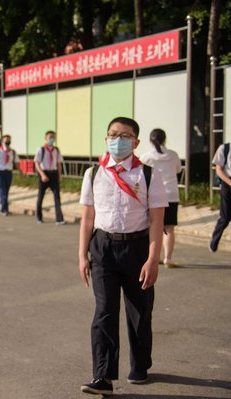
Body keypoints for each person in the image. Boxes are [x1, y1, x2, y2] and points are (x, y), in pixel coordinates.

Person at [77, 117, 167, 396]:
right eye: (113, 134)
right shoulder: (94, 173)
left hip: (137, 249)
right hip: (103, 248)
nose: (118, 140)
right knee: (104, 311)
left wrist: (153, 259)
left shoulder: (149, 175)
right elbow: (87, 217)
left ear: (136, 142)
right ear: (106, 139)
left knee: (139, 311)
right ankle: (102, 376)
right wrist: (82, 255)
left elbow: (156, 221)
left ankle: (140, 363)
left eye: (125, 136)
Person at [140, 129, 182, 267]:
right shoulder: (173, 155)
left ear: (150, 140)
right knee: (169, 229)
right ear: (165, 139)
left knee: (152, 226)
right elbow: (178, 170)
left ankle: (153, 257)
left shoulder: (146, 157)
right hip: (171, 194)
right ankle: (168, 259)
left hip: (152, 195)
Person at [34, 130, 65, 225]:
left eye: (53, 137)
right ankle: (39, 217)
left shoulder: (56, 150)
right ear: (46, 138)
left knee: (57, 197)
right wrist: (42, 175)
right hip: (44, 173)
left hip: (54, 174)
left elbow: (59, 164)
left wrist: (59, 175)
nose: (52, 139)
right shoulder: (41, 149)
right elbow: (37, 164)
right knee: (40, 196)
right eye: (50, 137)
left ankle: (59, 219)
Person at [209, 141, 231, 253]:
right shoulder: (224, 148)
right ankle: (214, 241)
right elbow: (219, 170)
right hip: (227, 184)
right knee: (225, 218)